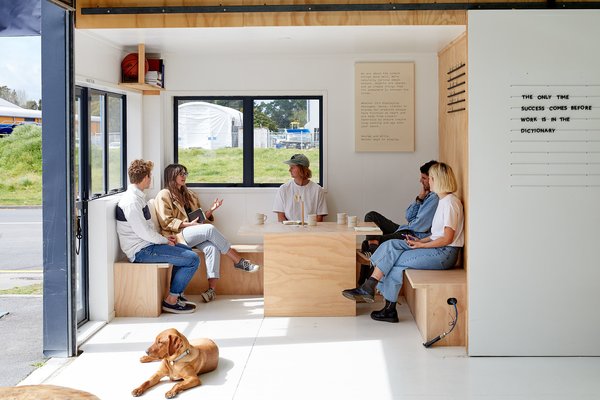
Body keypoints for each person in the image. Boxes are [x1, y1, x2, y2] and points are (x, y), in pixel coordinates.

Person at [342, 162, 464, 323]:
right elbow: (436, 234)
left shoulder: (449, 203)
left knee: (395, 261)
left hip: (444, 254)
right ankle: (369, 287)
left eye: (430, 178)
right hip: (437, 247)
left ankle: (386, 306)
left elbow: (447, 238)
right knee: (391, 244)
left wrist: (422, 245)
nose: (428, 182)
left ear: (437, 179)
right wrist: (420, 240)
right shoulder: (443, 201)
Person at [154, 163, 260, 304]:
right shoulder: (164, 195)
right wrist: (189, 224)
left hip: (192, 232)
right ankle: (238, 260)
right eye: (181, 174)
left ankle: (211, 290)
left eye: (185, 173)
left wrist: (211, 210)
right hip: (177, 235)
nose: (184, 176)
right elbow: (166, 221)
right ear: (171, 176)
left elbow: (199, 218)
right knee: (209, 230)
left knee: (212, 247)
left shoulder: (189, 194)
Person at [116, 159, 199, 314]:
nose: (151, 178)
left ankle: (177, 294)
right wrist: (165, 240)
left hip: (148, 245)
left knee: (187, 252)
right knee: (192, 259)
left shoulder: (138, 197)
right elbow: (144, 233)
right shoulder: (131, 202)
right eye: (150, 175)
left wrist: (166, 239)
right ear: (145, 177)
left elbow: (147, 230)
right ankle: (171, 300)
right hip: (140, 252)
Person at [357, 160, 439, 284]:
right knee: (371, 215)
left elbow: (420, 225)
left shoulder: (435, 199)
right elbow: (408, 215)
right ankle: (374, 250)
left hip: (413, 234)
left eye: (424, 178)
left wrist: (412, 221)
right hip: (405, 228)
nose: (420, 181)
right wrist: (419, 198)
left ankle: (363, 283)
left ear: (433, 178)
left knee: (365, 244)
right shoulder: (427, 195)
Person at [273, 153, 328, 222]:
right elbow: (280, 216)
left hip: (311, 231)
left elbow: (319, 217)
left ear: (302, 168)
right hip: (289, 230)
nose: (289, 170)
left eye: (292, 167)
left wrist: (308, 231)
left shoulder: (317, 190)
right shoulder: (284, 189)